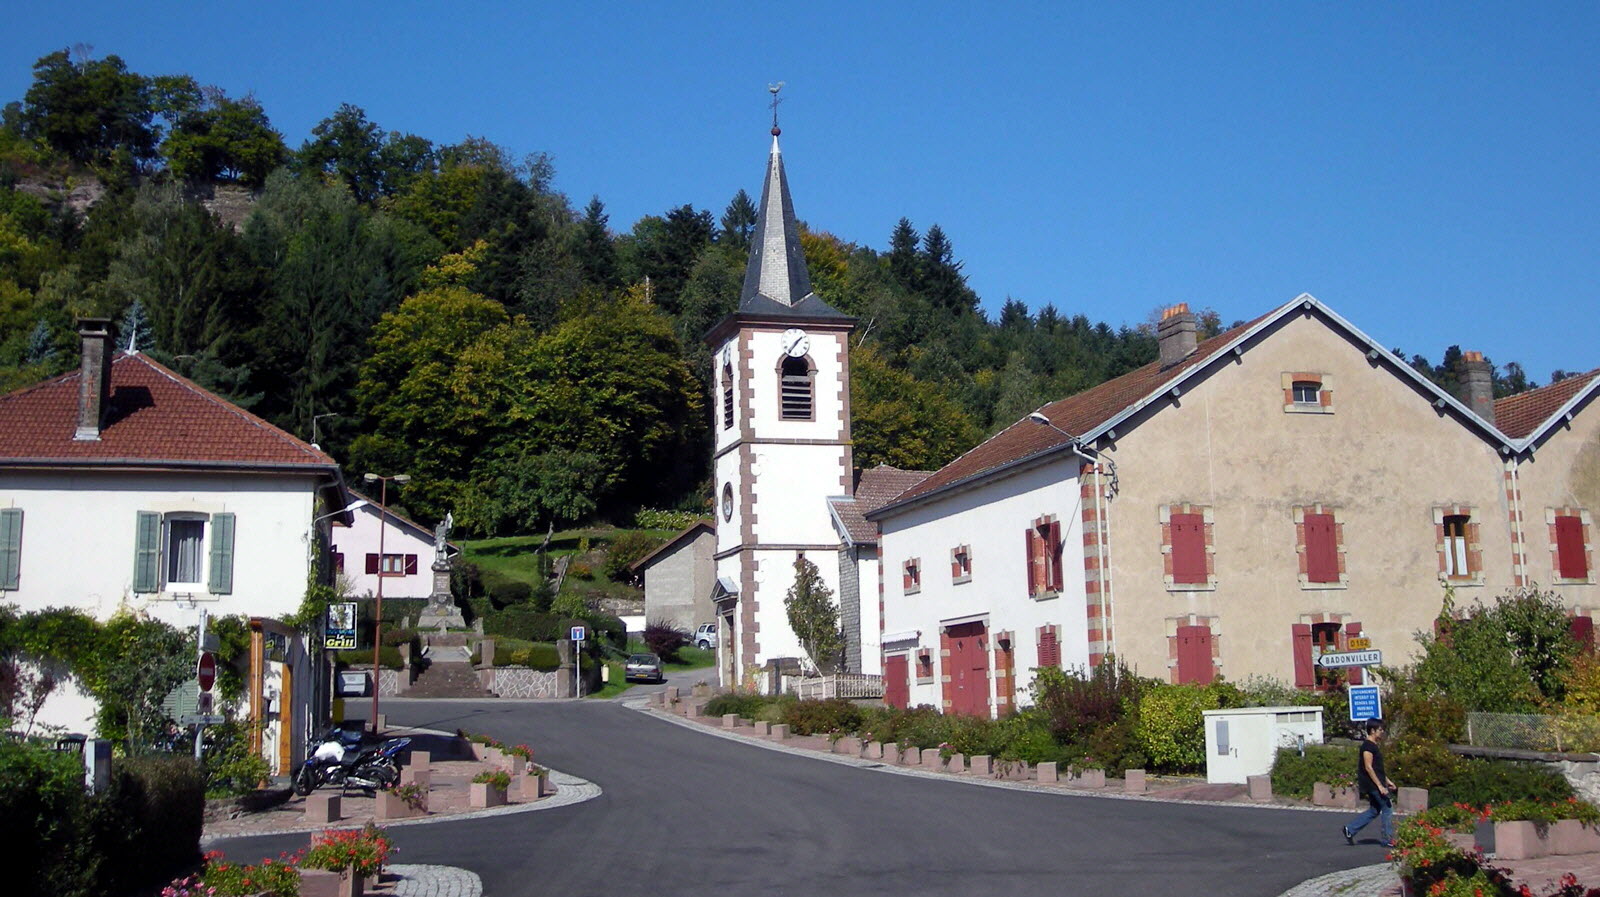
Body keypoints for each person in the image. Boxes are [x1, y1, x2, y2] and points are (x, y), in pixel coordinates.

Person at [1343, 719, 1397, 846]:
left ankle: (1350, 829)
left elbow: (1378, 769)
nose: (1382, 732)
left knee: (1374, 810)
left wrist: (1388, 781)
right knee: (1387, 808)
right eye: (1380, 730)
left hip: (1377, 782)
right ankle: (1387, 839)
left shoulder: (1374, 746)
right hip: (1372, 784)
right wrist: (1380, 786)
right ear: (1372, 731)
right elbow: (1368, 767)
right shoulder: (1367, 746)